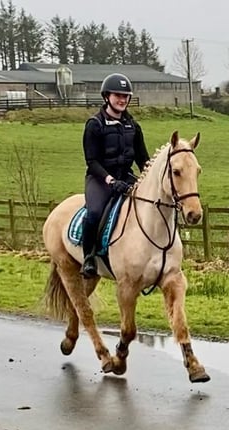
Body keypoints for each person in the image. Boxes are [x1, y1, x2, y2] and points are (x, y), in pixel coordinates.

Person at [80, 73, 150, 278]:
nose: (122, 100)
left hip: (125, 177)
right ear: (106, 97)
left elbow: (143, 160)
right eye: (117, 95)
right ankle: (89, 258)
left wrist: (148, 180)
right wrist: (110, 180)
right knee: (94, 213)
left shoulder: (133, 126)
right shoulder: (94, 124)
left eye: (125, 96)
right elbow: (92, 162)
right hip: (100, 179)